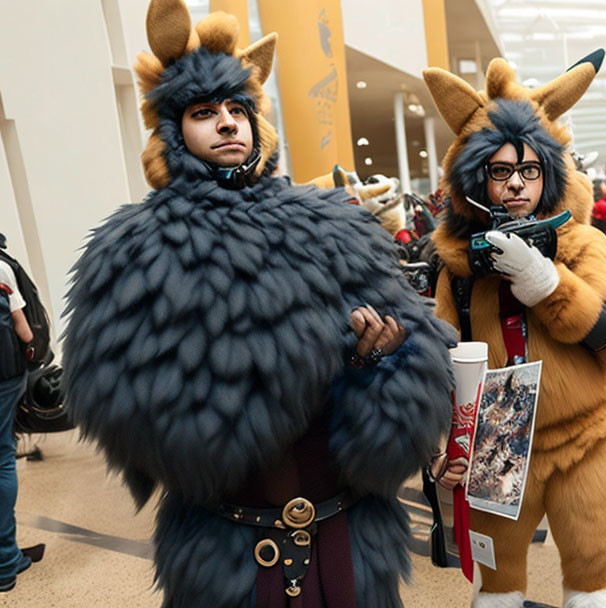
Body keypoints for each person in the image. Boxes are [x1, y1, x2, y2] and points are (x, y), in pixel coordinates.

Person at [62, 1, 455, 606]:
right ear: (172, 130)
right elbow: (125, 409)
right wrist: (264, 382)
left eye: (237, 109)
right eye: (204, 112)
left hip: (348, 534)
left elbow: (415, 356)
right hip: (229, 545)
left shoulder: (333, 231)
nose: (226, 123)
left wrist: (378, 370)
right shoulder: (133, 254)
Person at [423, 50, 606, 608]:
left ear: (549, 173)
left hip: (586, 436)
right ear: (477, 179)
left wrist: (548, 284)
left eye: (529, 170)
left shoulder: (585, 244)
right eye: (500, 171)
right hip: (497, 444)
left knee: (592, 576)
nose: (516, 184)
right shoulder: (459, 268)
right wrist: (438, 441)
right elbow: (441, 363)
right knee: (496, 588)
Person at [0, 239, 44, 592]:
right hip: (3, 375)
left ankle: (9, 551)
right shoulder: (1, 266)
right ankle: (6, 560)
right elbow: (23, 327)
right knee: (2, 460)